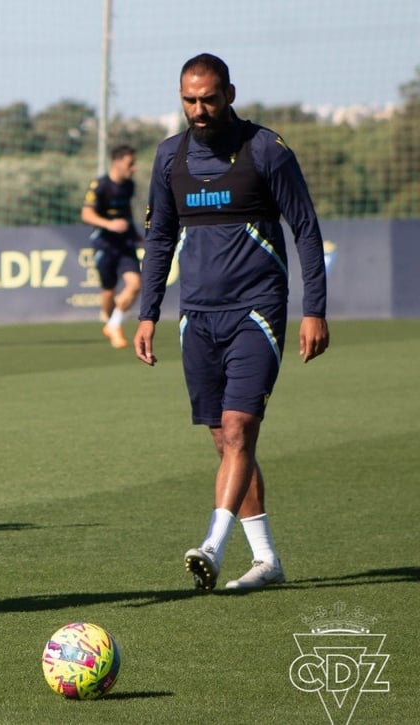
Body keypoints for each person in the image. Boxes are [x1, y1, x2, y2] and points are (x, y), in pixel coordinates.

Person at [135, 53, 330, 592]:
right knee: (226, 442)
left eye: (209, 99)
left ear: (230, 94)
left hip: (256, 312)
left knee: (242, 429)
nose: (199, 109)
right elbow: (158, 240)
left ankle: (213, 547)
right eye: (189, 99)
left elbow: (306, 230)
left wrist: (315, 309)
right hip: (196, 318)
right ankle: (267, 561)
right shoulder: (168, 158)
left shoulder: (266, 149)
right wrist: (147, 313)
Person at [81, 144, 143, 349]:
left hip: (124, 244)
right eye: (130, 164)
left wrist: (135, 235)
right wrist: (109, 224)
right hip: (104, 244)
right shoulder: (100, 185)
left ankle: (114, 325)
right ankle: (111, 325)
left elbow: (126, 213)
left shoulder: (129, 186)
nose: (133, 168)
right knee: (108, 291)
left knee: (135, 285)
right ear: (117, 162)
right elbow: (86, 214)